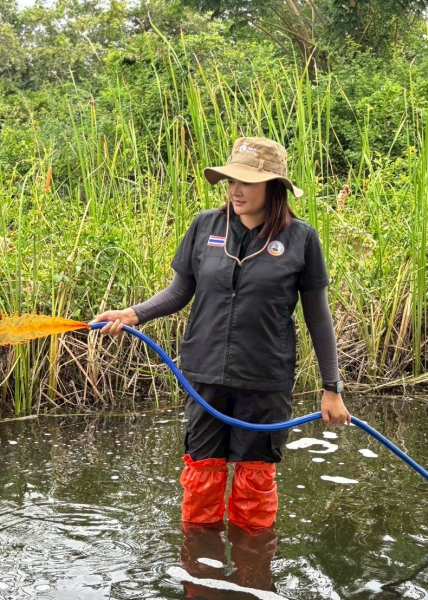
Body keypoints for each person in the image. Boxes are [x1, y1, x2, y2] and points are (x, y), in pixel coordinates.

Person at [93, 136, 350, 531]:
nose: (235, 190)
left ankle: (252, 563)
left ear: (273, 187)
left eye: (247, 182)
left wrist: (331, 388)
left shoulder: (301, 238)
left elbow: (318, 318)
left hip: (265, 380)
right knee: (201, 482)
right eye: (232, 181)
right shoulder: (205, 226)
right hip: (205, 376)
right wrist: (132, 314)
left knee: (254, 490)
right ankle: (200, 560)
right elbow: (179, 291)